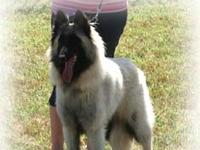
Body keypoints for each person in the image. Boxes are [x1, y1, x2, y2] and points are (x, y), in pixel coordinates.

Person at [49, 0, 128, 149]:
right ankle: (57, 146)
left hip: (111, 10)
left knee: (101, 83)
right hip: (67, 7)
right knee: (60, 85)